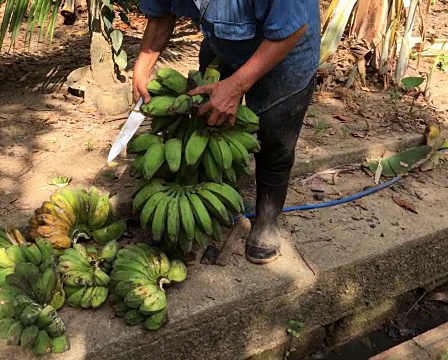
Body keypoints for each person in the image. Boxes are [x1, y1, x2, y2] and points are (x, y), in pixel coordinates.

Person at [132, 0, 321, 265]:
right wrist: (142, 67)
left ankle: (267, 219)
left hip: (286, 49)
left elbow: (290, 30)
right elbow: (161, 13)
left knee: (275, 137)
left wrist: (236, 86)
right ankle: (210, 198)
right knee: (206, 117)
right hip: (227, 40)